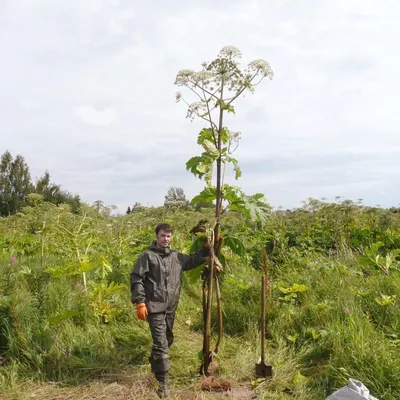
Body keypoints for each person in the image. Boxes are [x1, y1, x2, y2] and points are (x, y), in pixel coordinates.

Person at [130, 222, 211, 398]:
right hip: (155, 307)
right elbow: (137, 278)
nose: (165, 239)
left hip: (170, 308)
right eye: (162, 236)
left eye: (168, 236)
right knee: (161, 345)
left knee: (167, 340)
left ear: (171, 237)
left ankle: (155, 369)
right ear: (156, 237)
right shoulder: (147, 256)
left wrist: (207, 248)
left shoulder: (177, 257)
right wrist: (140, 302)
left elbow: (193, 260)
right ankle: (163, 385)